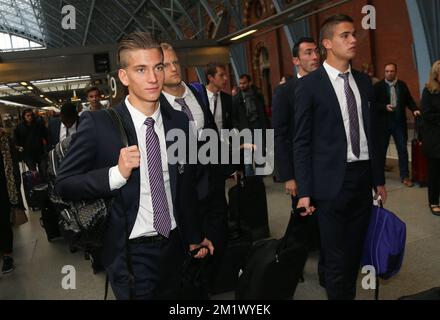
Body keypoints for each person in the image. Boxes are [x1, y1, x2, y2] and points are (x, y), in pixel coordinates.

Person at [55, 32, 211, 300]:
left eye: (157, 67)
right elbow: (64, 184)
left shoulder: (179, 123)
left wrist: (195, 235)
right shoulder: (99, 125)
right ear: (124, 77)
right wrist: (116, 175)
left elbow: (184, 187)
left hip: (176, 245)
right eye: (141, 69)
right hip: (131, 255)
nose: (153, 78)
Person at [294, 14, 386, 300]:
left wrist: (378, 179)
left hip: (362, 179)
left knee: (355, 253)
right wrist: (305, 191)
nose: (353, 40)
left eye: (354, 34)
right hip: (330, 184)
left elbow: (373, 135)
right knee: (335, 258)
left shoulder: (363, 82)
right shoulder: (310, 86)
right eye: (345, 35)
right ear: (327, 43)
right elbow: (301, 142)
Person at [159, 43, 228, 295]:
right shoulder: (157, 106)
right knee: (191, 259)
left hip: (213, 187)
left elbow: (210, 132)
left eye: (175, 62)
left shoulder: (197, 92)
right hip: (184, 195)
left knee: (217, 246)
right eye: (165, 65)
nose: (174, 68)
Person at [374, 63, 421, 187]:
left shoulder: (402, 85)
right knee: (381, 151)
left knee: (402, 150)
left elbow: (409, 99)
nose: (389, 73)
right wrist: (384, 107)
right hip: (383, 124)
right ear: (384, 72)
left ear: (396, 72)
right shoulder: (378, 87)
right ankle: (379, 178)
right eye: (387, 71)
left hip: (399, 123)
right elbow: (373, 104)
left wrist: (414, 109)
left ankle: (405, 176)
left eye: (391, 71)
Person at [0, 127, 21, 274]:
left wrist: (15, 189)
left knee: (3, 222)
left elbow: (13, 165)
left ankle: (7, 257)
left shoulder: (4, 138)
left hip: (3, 187)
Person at [421, 60, 440, 216]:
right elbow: (426, 113)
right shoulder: (428, 90)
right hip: (434, 139)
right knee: (434, 173)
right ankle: (434, 202)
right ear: (436, 75)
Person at [14, 108, 48, 177]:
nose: (30, 117)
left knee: (43, 171)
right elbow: (16, 140)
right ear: (24, 116)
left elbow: (45, 135)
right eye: (28, 115)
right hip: (28, 154)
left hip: (40, 152)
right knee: (33, 173)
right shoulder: (19, 127)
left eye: (31, 115)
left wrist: (47, 145)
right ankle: (36, 185)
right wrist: (18, 147)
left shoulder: (38, 124)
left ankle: (45, 184)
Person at [205, 62, 233, 132]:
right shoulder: (199, 98)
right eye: (221, 75)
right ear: (210, 78)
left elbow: (232, 124)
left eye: (225, 75)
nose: (226, 78)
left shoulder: (228, 99)